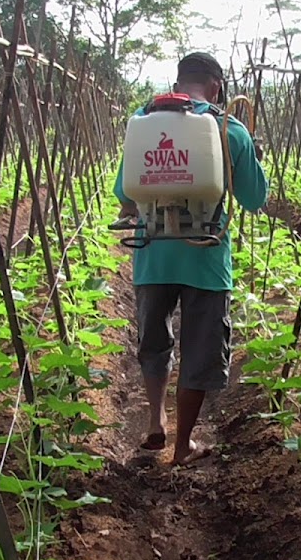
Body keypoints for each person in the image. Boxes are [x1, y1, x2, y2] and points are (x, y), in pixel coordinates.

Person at [112, 52, 269, 465]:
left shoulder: (144, 121)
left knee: (154, 340)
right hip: (206, 257)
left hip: (153, 253)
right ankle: (183, 446)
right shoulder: (229, 129)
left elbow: (124, 192)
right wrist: (252, 156)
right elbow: (254, 198)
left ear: (178, 81)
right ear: (216, 87)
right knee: (200, 351)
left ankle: (155, 420)